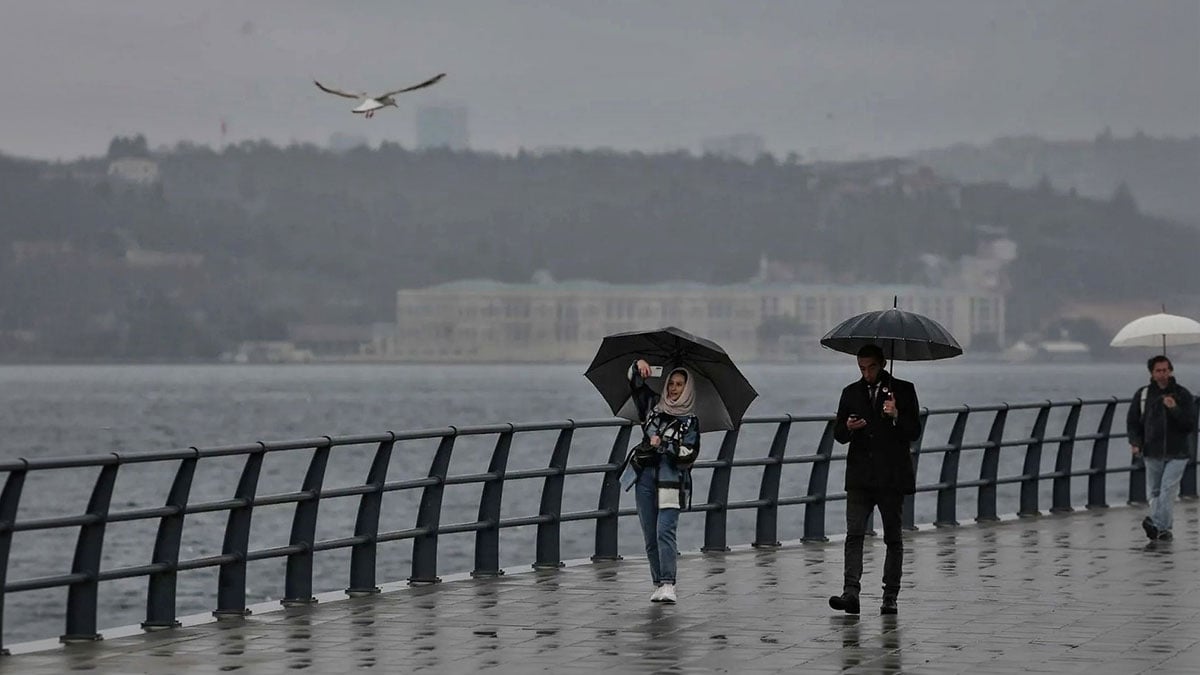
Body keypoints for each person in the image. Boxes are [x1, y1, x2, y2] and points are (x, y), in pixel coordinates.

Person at [828, 344, 921, 616]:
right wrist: (847, 427)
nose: (866, 373)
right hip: (859, 476)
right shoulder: (850, 393)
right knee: (854, 534)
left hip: (891, 477)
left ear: (881, 364)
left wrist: (896, 416)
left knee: (893, 538)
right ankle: (850, 593)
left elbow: (914, 431)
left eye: (870, 367)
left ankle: (890, 596)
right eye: (861, 368)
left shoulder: (903, 390)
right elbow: (838, 433)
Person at [624, 358, 700, 604]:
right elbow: (635, 384)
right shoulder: (652, 408)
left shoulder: (691, 421)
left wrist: (663, 445)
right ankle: (657, 583)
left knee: (664, 531)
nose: (674, 389)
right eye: (671, 384)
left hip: (671, 481)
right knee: (649, 534)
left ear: (687, 389)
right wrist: (639, 365)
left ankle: (669, 583)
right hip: (645, 477)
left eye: (680, 384)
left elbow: (689, 454)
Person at [1127, 355, 1195, 542]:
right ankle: (1163, 529)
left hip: (1178, 452)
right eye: (1158, 371)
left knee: (1167, 489)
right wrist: (1135, 442)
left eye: (1165, 370)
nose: (1163, 374)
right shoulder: (1143, 395)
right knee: (1155, 492)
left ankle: (1156, 523)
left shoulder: (1183, 394)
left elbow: (1190, 424)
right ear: (1152, 373)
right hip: (1152, 451)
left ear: (1171, 370)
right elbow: (1133, 422)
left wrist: (1174, 409)